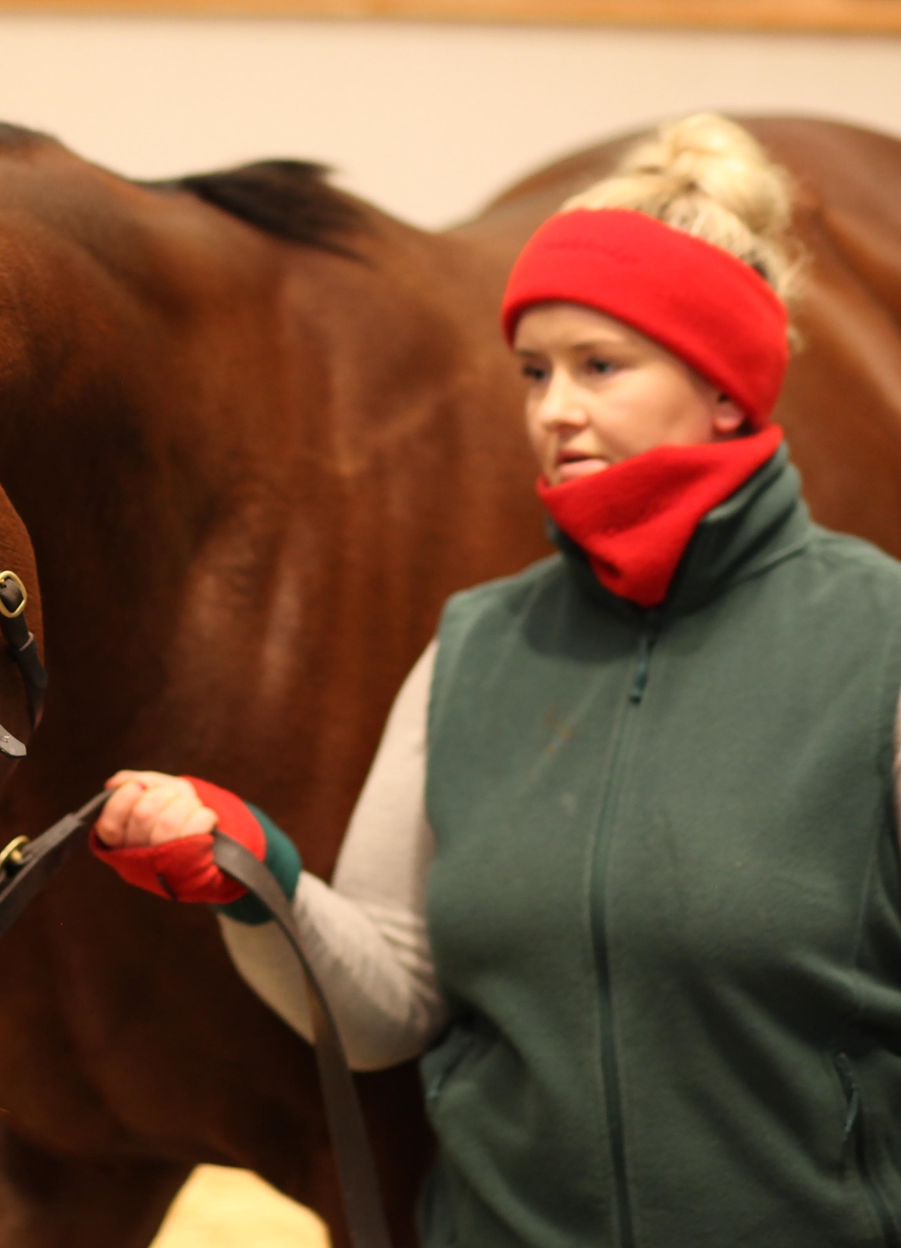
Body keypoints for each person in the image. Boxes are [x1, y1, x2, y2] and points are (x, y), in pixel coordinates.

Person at [91, 114, 901, 1248]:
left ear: (723, 388)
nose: (552, 410)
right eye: (534, 372)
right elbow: (382, 1009)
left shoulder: (879, 644)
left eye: (599, 368)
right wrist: (251, 873)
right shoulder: (472, 651)